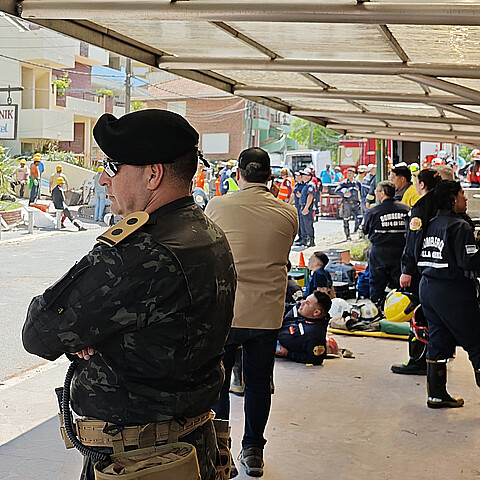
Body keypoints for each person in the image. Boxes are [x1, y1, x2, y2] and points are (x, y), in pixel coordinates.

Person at [22, 109, 237, 480]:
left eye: (114, 165)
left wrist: (87, 335)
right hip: (192, 445)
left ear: (153, 174)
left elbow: (39, 332)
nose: (105, 179)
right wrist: (91, 333)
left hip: (143, 460)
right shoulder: (206, 233)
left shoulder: (138, 253)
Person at [205, 147, 298, 477]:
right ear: (270, 178)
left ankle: (221, 452)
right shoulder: (288, 212)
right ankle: (254, 452)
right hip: (266, 314)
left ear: (239, 175)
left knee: (218, 384)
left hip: (225, 312)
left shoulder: (217, 205)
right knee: (259, 384)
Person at [417, 180, 480, 408]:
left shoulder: (430, 222)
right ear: (453, 199)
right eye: (463, 195)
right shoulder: (460, 227)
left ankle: (436, 395)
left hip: (428, 287)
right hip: (453, 291)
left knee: (438, 340)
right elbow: (469, 261)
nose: (465, 199)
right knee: (476, 341)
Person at [393, 169, 441, 376]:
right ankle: (435, 356)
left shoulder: (421, 207)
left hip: (420, 271)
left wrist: (407, 269)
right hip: (439, 269)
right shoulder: (444, 204)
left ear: (421, 185)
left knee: (418, 314)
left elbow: (414, 241)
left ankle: (417, 359)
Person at [362, 180, 410, 306]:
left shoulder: (373, 212)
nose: (375, 194)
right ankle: (399, 309)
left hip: (380, 252)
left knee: (377, 283)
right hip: (401, 252)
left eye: (377, 191)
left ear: (382, 193)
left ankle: (376, 309)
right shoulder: (406, 210)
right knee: (399, 285)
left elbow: (365, 230)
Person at [276, 291, 332, 366]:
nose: (302, 302)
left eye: (307, 303)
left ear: (316, 312)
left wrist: (288, 354)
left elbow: (315, 359)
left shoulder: (313, 335)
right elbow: (286, 307)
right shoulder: (300, 309)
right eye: (305, 300)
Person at [335, 167, 362, 241]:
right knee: (346, 220)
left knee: (359, 219)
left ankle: (359, 235)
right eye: (348, 173)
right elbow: (336, 190)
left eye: (351, 173)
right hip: (347, 204)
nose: (349, 175)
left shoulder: (357, 183)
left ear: (354, 174)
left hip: (356, 204)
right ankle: (348, 236)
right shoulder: (344, 183)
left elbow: (362, 191)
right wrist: (344, 193)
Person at [298, 169, 316, 247]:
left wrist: (306, 207)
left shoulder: (310, 185)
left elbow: (310, 196)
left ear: (309, 176)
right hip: (303, 207)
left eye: (304, 175)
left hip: (307, 207)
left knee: (308, 225)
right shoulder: (305, 185)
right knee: (303, 225)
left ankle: (311, 241)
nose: (302, 176)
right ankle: (305, 240)